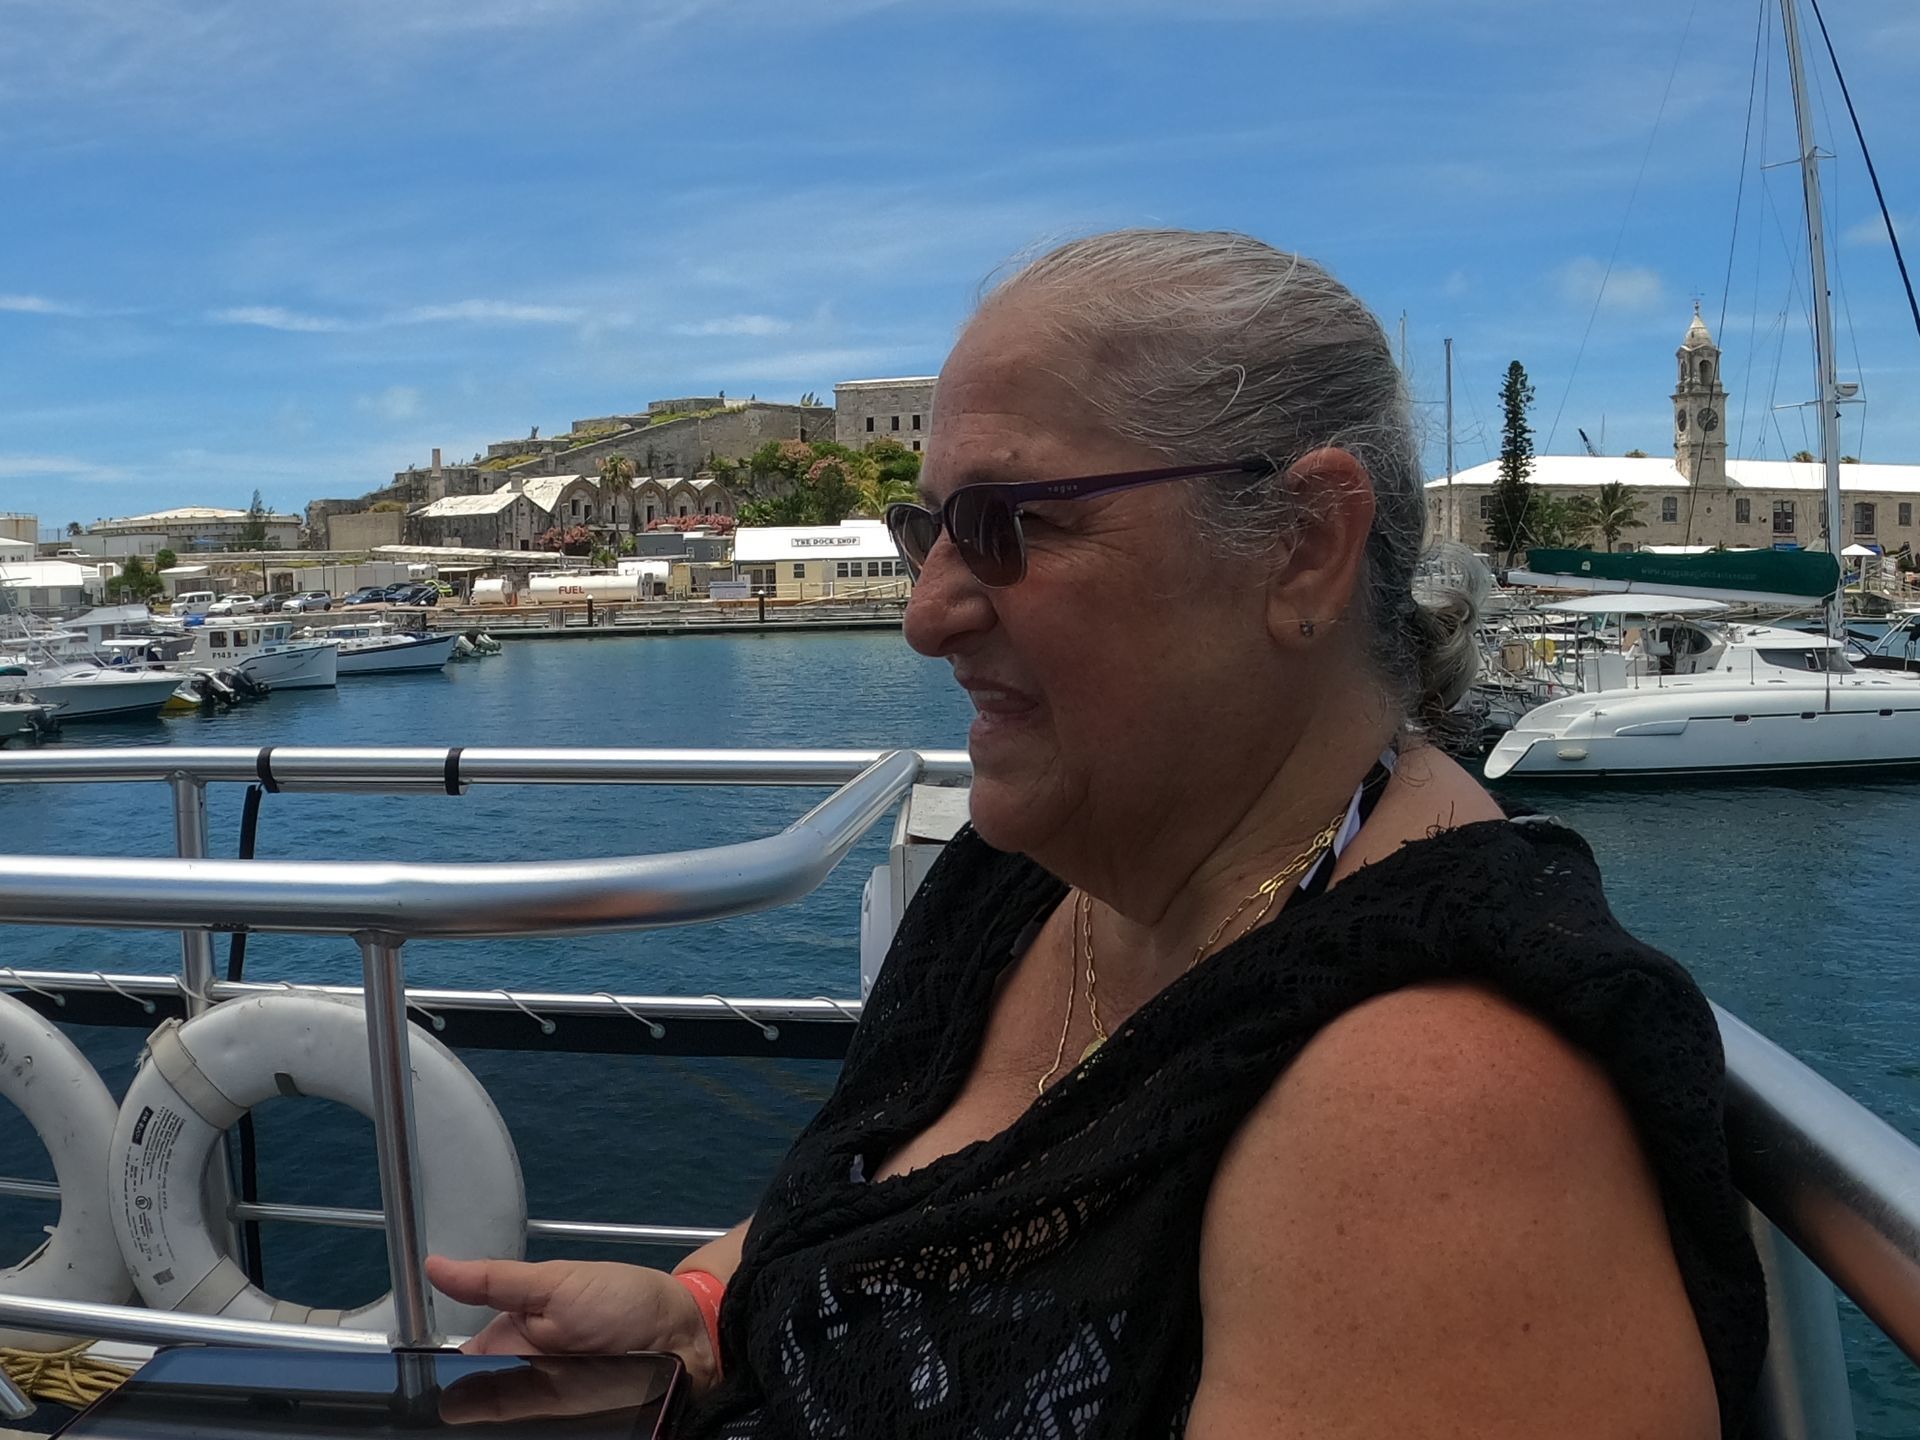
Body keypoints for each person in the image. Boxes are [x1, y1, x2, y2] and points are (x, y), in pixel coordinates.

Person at [430, 229, 1766, 1438]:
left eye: (1012, 526)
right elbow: (890, 1225)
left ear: (1303, 543)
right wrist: (707, 1320)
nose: (927, 613)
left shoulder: (1441, 1123)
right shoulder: (1025, 882)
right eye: (926, 529)